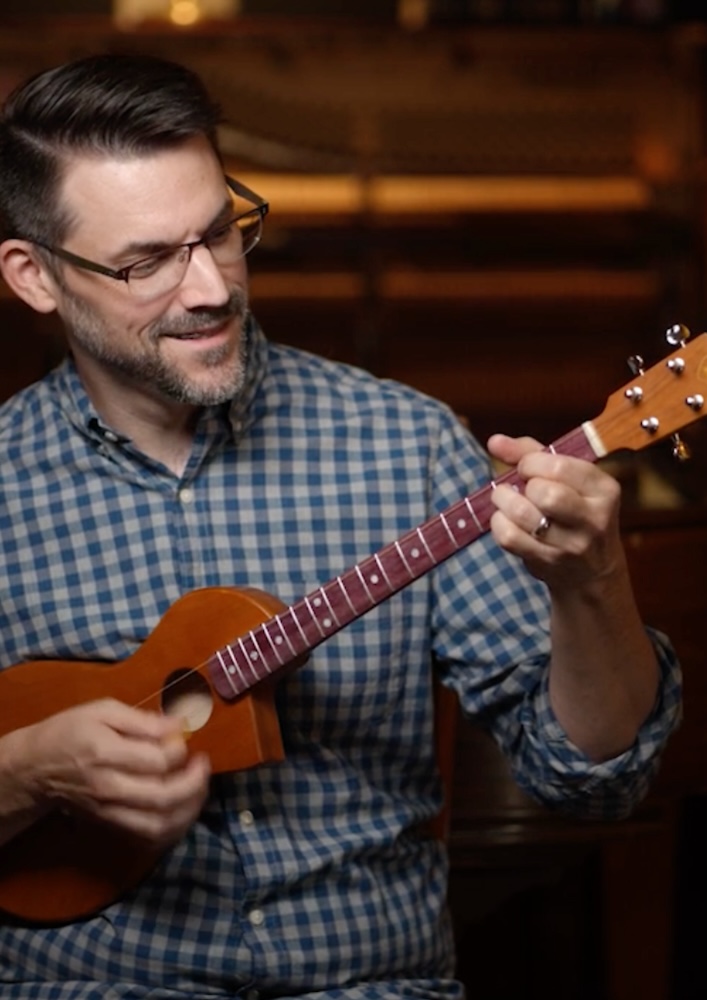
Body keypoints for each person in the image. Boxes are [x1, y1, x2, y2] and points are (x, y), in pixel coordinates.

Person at [0, 52, 680, 1000]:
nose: (207, 290)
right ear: (35, 276)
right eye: (146, 261)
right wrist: (31, 771)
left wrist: (593, 583)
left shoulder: (405, 444)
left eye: (221, 235)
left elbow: (592, 781)